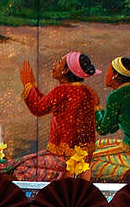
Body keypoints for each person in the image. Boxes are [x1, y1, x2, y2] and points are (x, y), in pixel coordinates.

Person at [14, 52, 99, 181]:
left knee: (20, 167)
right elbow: (46, 103)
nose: (54, 65)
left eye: (59, 62)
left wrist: (27, 85)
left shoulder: (61, 91)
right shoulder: (86, 91)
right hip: (82, 158)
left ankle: (62, 178)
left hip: (65, 160)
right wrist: (33, 86)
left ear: (65, 71)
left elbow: (38, 108)